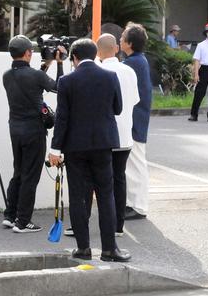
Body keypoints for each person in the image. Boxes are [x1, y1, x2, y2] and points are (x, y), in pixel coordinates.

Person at [48, 39, 131, 263]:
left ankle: (83, 249)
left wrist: (55, 148)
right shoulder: (109, 77)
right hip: (103, 144)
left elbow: (62, 118)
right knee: (105, 195)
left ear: (74, 58)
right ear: (95, 54)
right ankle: (109, 250)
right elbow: (117, 108)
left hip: (75, 147)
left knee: (77, 196)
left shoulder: (67, 81)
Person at [0, 35, 64, 233]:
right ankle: (23, 222)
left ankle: (10, 216)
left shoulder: (7, 75)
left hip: (15, 130)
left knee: (18, 172)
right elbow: (59, 86)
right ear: (28, 53)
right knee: (30, 176)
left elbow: (32, 80)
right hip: (33, 131)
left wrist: (47, 64)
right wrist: (59, 64)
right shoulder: (35, 76)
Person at [121, 22, 152, 221]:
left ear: (130, 43)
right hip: (137, 118)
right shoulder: (139, 61)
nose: (120, 39)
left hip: (134, 119)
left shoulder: (132, 63)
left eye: (123, 37)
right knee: (133, 163)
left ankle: (138, 206)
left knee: (135, 164)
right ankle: (133, 203)